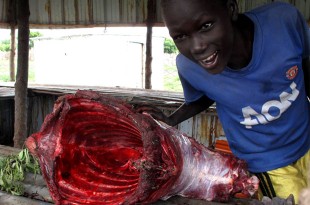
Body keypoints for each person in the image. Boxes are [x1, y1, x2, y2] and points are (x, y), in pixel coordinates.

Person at [137, 0, 310, 203]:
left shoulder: (283, 23)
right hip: (267, 162)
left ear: (231, 9)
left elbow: (306, 64)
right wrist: (171, 118)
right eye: (181, 36)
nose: (198, 46)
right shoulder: (190, 67)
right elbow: (203, 97)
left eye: (206, 26)